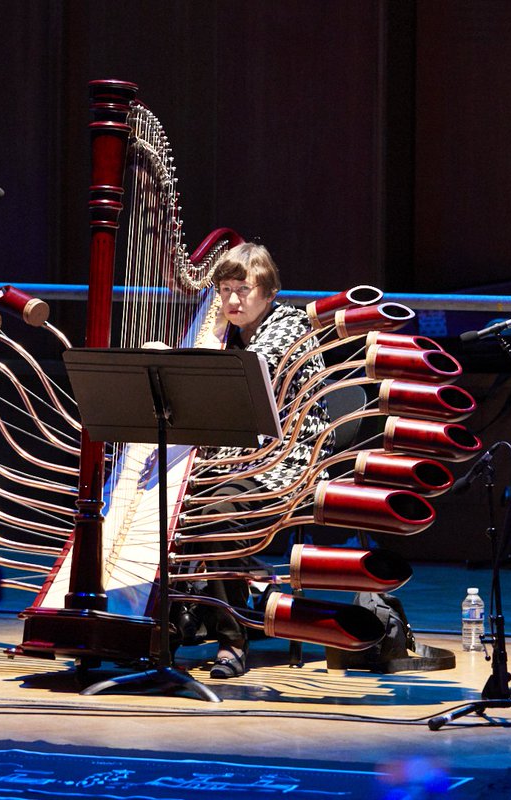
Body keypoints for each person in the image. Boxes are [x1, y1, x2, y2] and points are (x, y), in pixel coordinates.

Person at [180, 241, 329, 679]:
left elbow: (249, 375)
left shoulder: (288, 325)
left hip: (283, 461)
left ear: (268, 292)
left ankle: (232, 640)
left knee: (211, 516)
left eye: (242, 289)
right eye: (223, 289)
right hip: (240, 461)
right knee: (174, 505)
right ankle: (191, 611)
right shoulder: (232, 334)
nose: (230, 300)